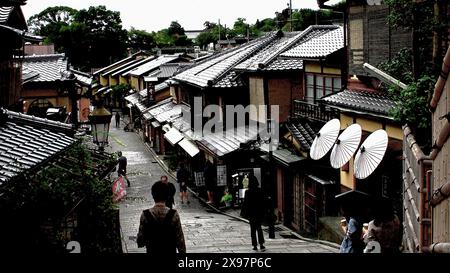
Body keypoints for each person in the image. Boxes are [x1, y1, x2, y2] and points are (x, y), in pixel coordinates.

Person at [137, 181, 186, 254]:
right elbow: (180, 239)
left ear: (153, 195)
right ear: (167, 196)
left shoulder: (145, 215)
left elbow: (140, 241)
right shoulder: (173, 214)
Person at [241, 175, 266, 251]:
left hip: (251, 213)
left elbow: (245, 203)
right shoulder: (260, 190)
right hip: (259, 212)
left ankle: (254, 245)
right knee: (259, 228)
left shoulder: (247, 192)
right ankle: (261, 244)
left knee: (253, 230)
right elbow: (263, 202)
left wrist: (243, 213)